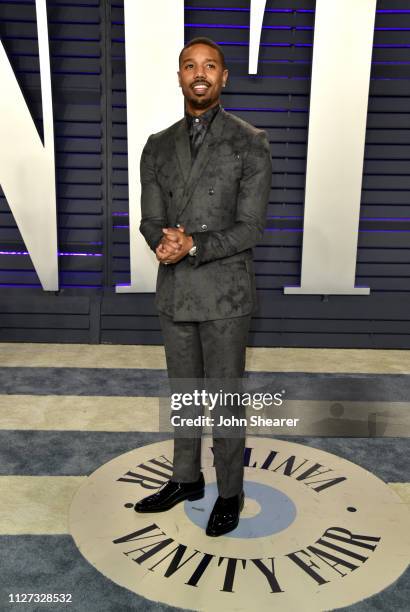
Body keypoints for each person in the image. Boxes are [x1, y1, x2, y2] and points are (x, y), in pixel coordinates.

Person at [135, 37, 272, 536]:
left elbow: (251, 227)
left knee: (226, 397)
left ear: (224, 77)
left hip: (226, 294)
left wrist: (190, 244)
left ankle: (230, 491)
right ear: (178, 77)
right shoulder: (157, 144)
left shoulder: (249, 141)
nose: (200, 73)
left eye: (209, 66)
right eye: (190, 66)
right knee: (184, 395)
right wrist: (162, 243)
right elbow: (150, 218)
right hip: (174, 291)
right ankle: (186, 479)